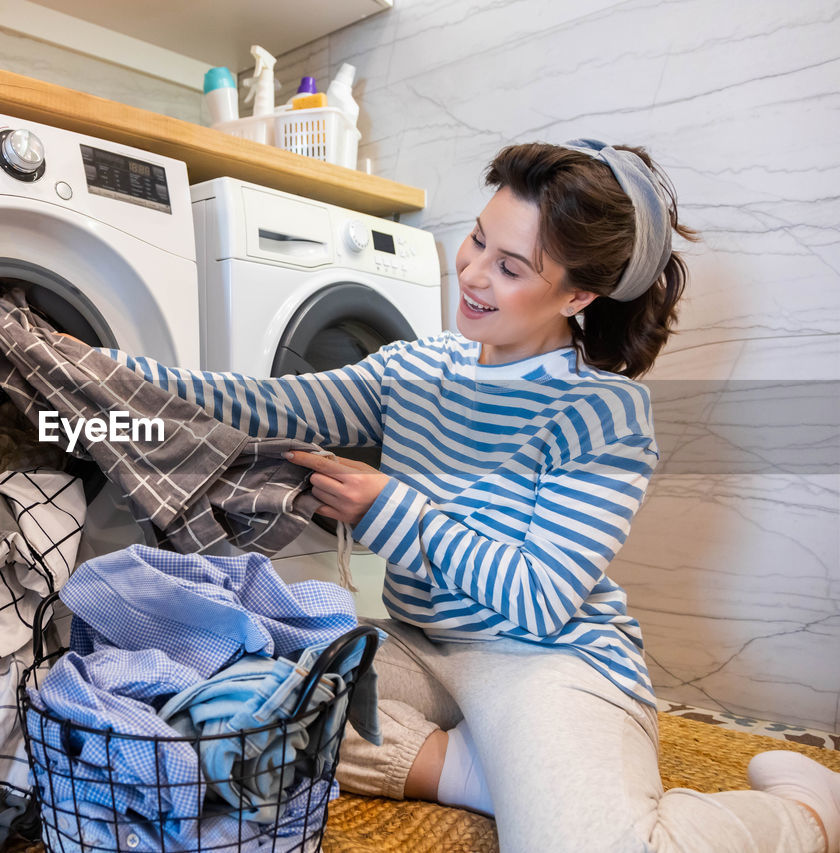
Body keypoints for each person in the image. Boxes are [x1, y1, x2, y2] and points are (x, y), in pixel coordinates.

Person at [90, 139, 839, 852]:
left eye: (511, 266)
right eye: (478, 239)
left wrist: (390, 510)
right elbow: (262, 404)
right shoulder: (417, 366)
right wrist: (89, 364)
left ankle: (804, 809)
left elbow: (540, 597)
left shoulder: (600, 412)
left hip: (545, 657)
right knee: (238, 711)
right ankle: (488, 772)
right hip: (422, 645)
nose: (474, 273)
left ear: (578, 293)